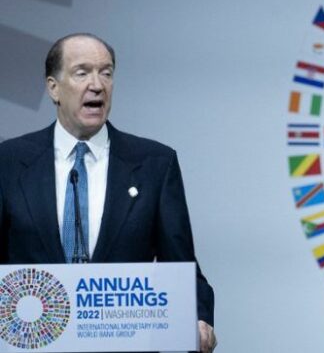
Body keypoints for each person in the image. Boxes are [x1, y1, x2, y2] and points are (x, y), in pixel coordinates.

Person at [0, 33, 216, 353]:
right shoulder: (8, 161)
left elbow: (182, 266)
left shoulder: (155, 164)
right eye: (82, 72)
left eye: (106, 72)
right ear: (53, 88)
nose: (97, 85)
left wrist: (199, 317)